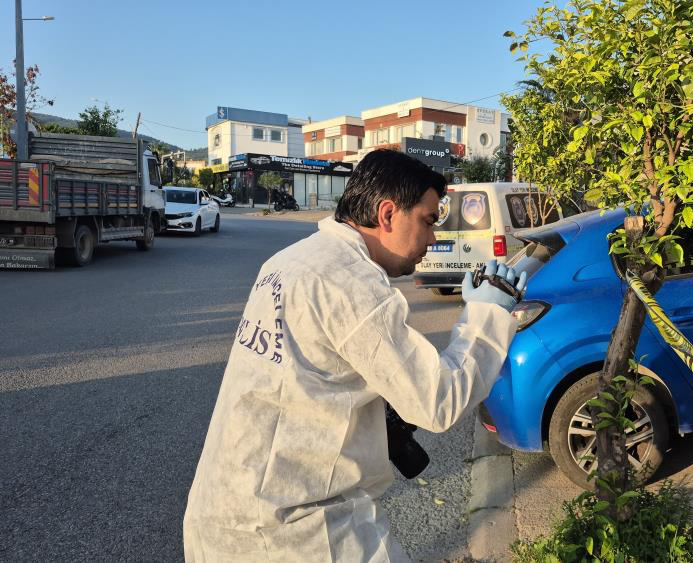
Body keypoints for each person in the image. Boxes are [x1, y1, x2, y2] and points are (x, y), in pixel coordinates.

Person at [183, 149, 525, 562]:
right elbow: (438, 400)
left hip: (223, 510)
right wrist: (486, 317)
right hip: (295, 532)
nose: (433, 239)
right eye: (428, 221)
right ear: (387, 214)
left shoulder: (291, 260)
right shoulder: (353, 284)